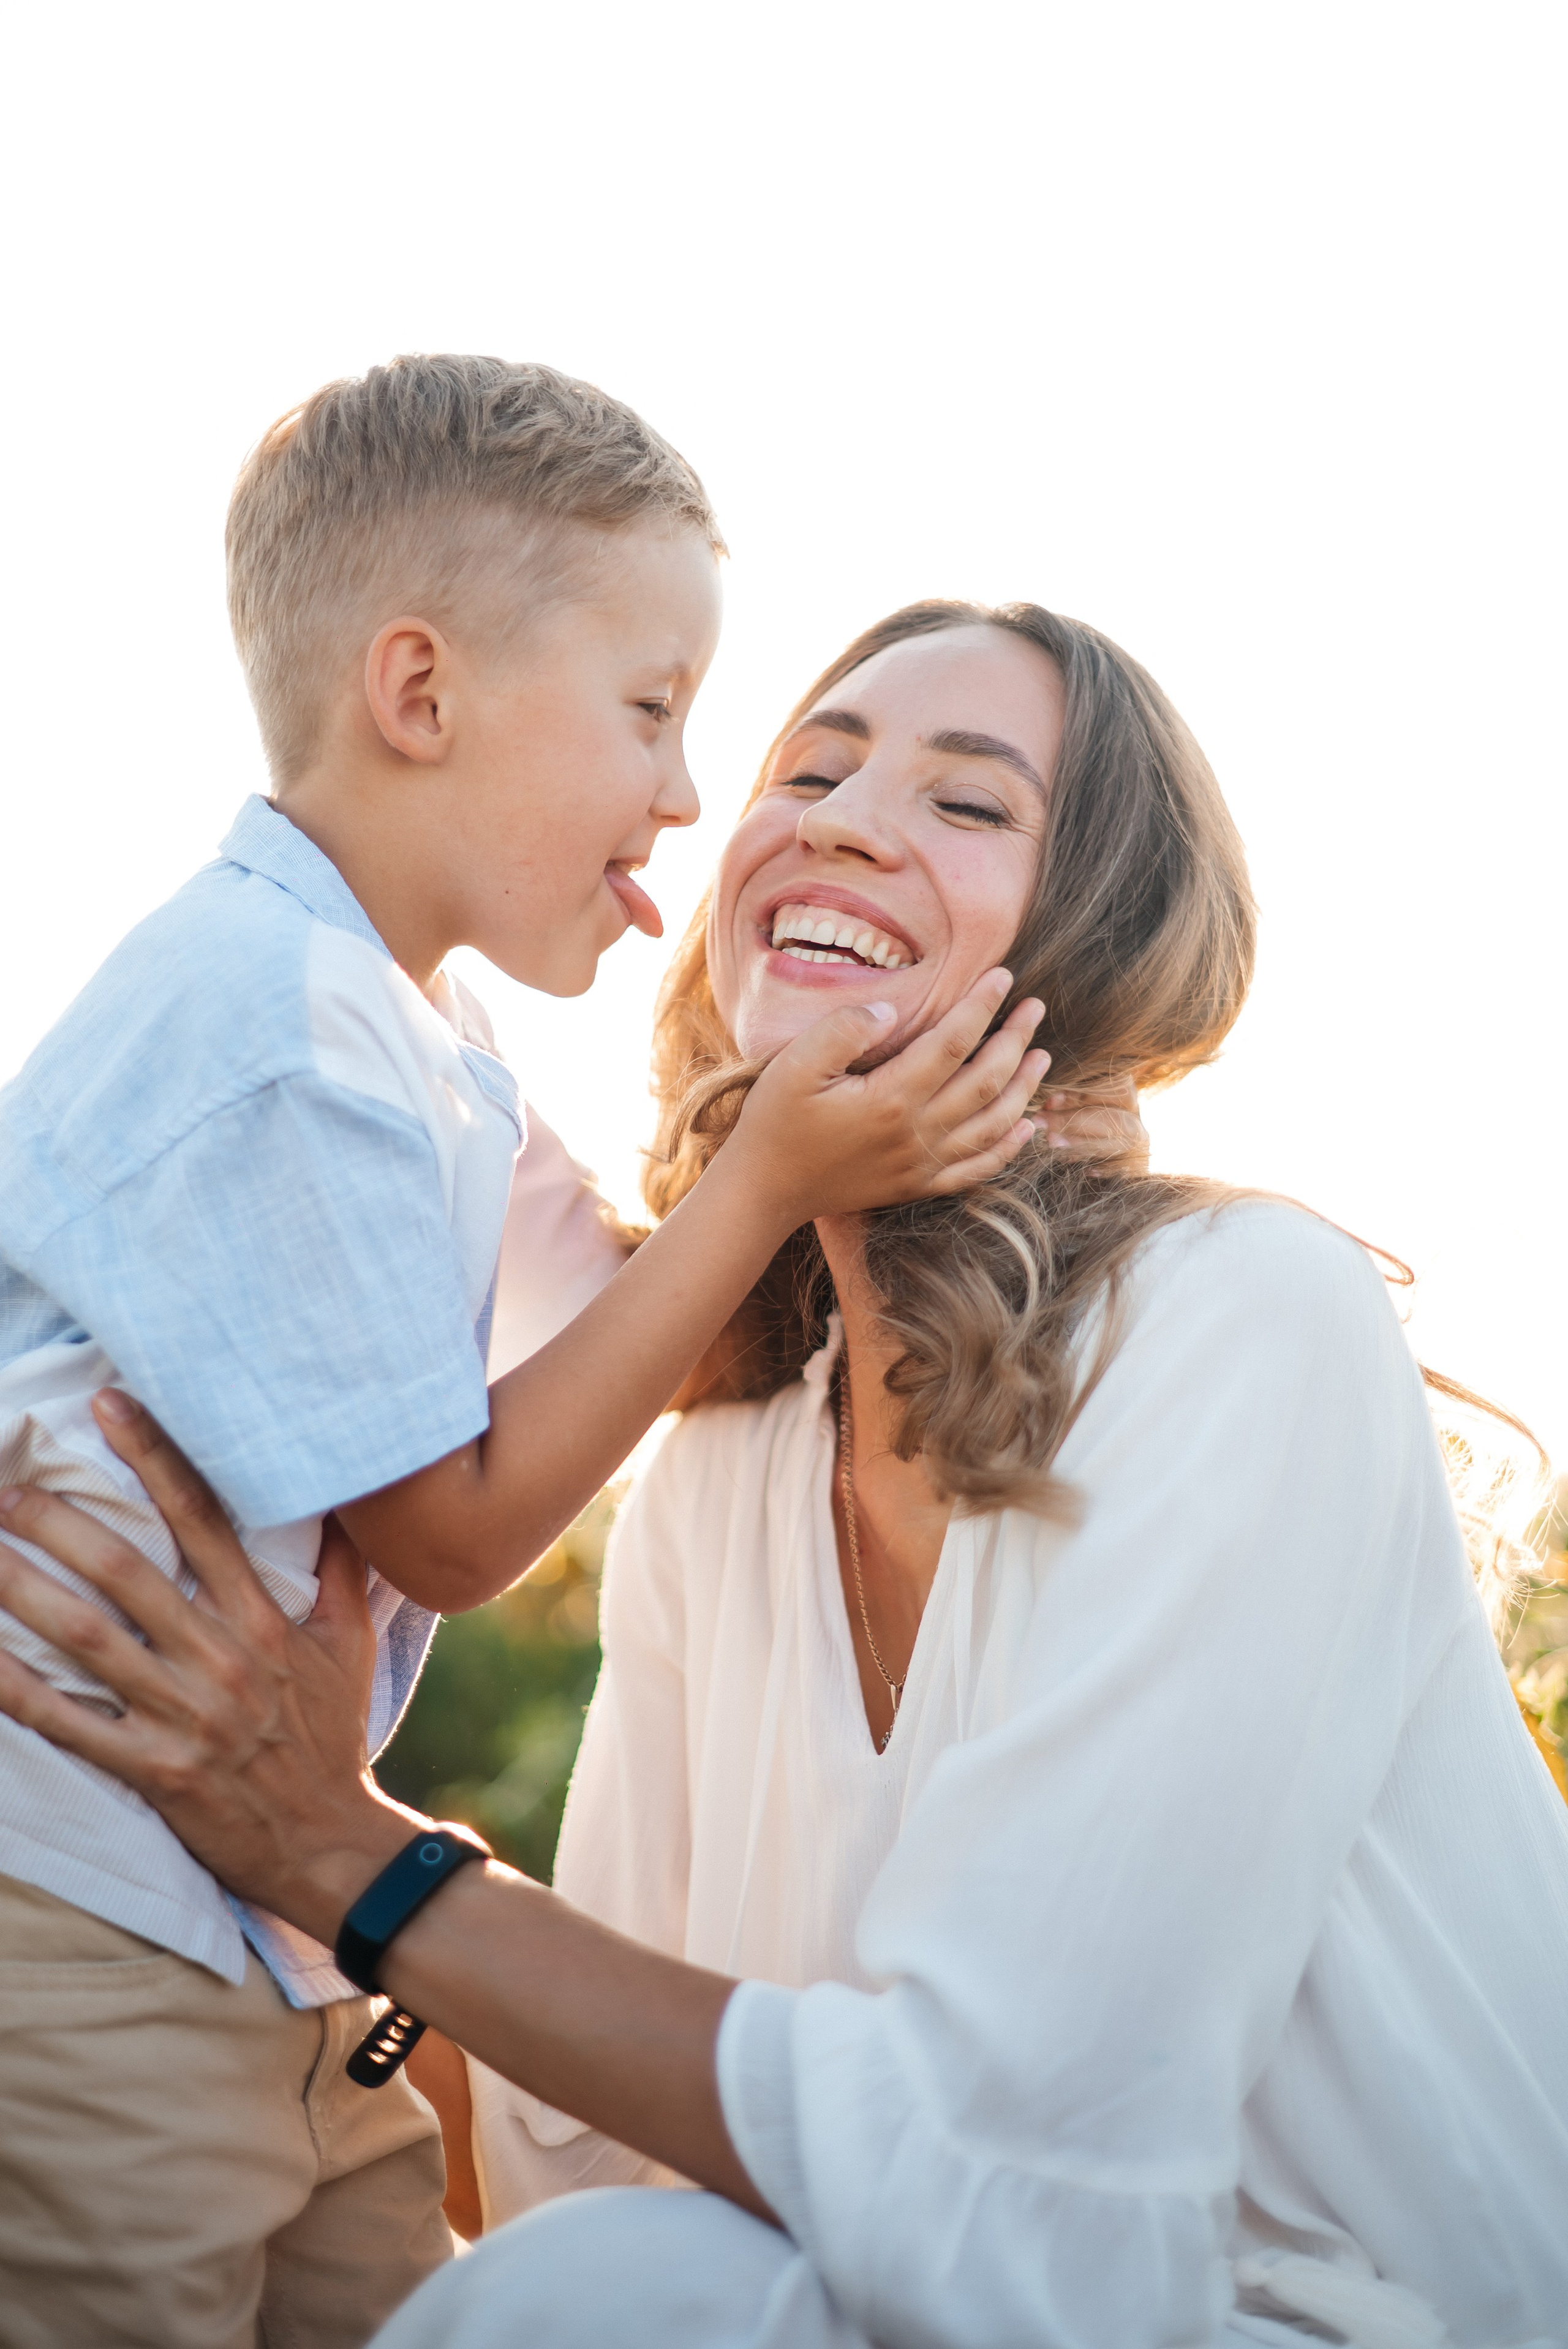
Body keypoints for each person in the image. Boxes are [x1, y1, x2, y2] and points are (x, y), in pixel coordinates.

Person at [2, 599, 1565, 2349]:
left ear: (1106, 932)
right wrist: (194, 1966)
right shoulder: (722, 1466)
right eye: (809, 770)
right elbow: (574, 2154)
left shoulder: (1248, 1321)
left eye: (969, 804)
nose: (833, 814)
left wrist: (334, 1843)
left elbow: (1023, 2190)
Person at [0, 357, 1045, 2349]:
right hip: (71, 1927)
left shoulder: (422, 1032)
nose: (682, 791)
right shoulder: (269, 1019)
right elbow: (458, 1527)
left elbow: (657, 1301)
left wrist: (860, 1149)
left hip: (239, 1938)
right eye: (653, 711)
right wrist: (766, 1180)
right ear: (422, 696)